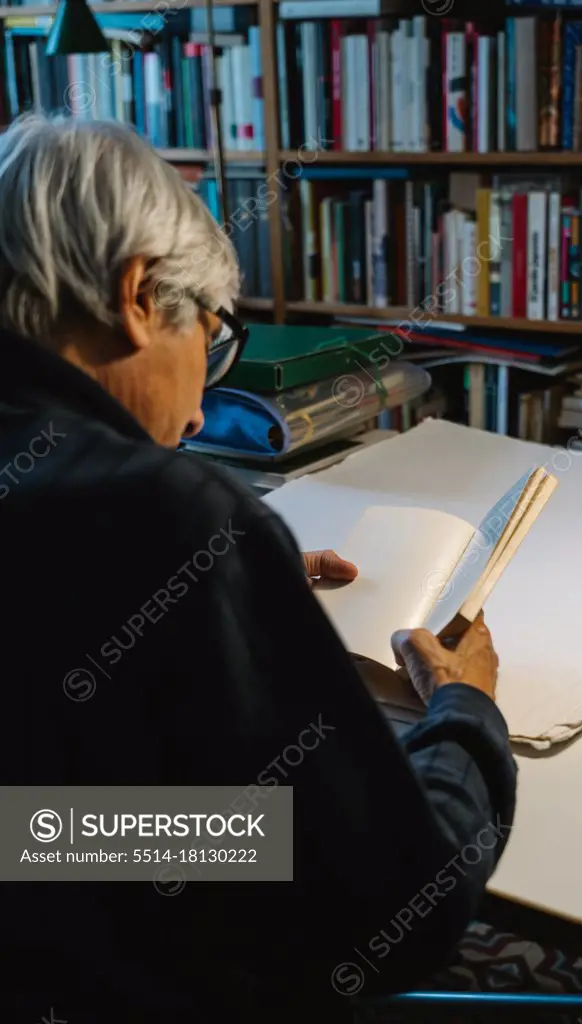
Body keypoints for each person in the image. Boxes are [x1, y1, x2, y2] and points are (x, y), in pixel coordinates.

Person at [0, 115, 517, 1024]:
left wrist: (217, 599)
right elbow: (395, 904)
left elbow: (34, 831)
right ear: (136, 293)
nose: (201, 418)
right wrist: (467, 713)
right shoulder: (166, 514)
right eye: (213, 335)